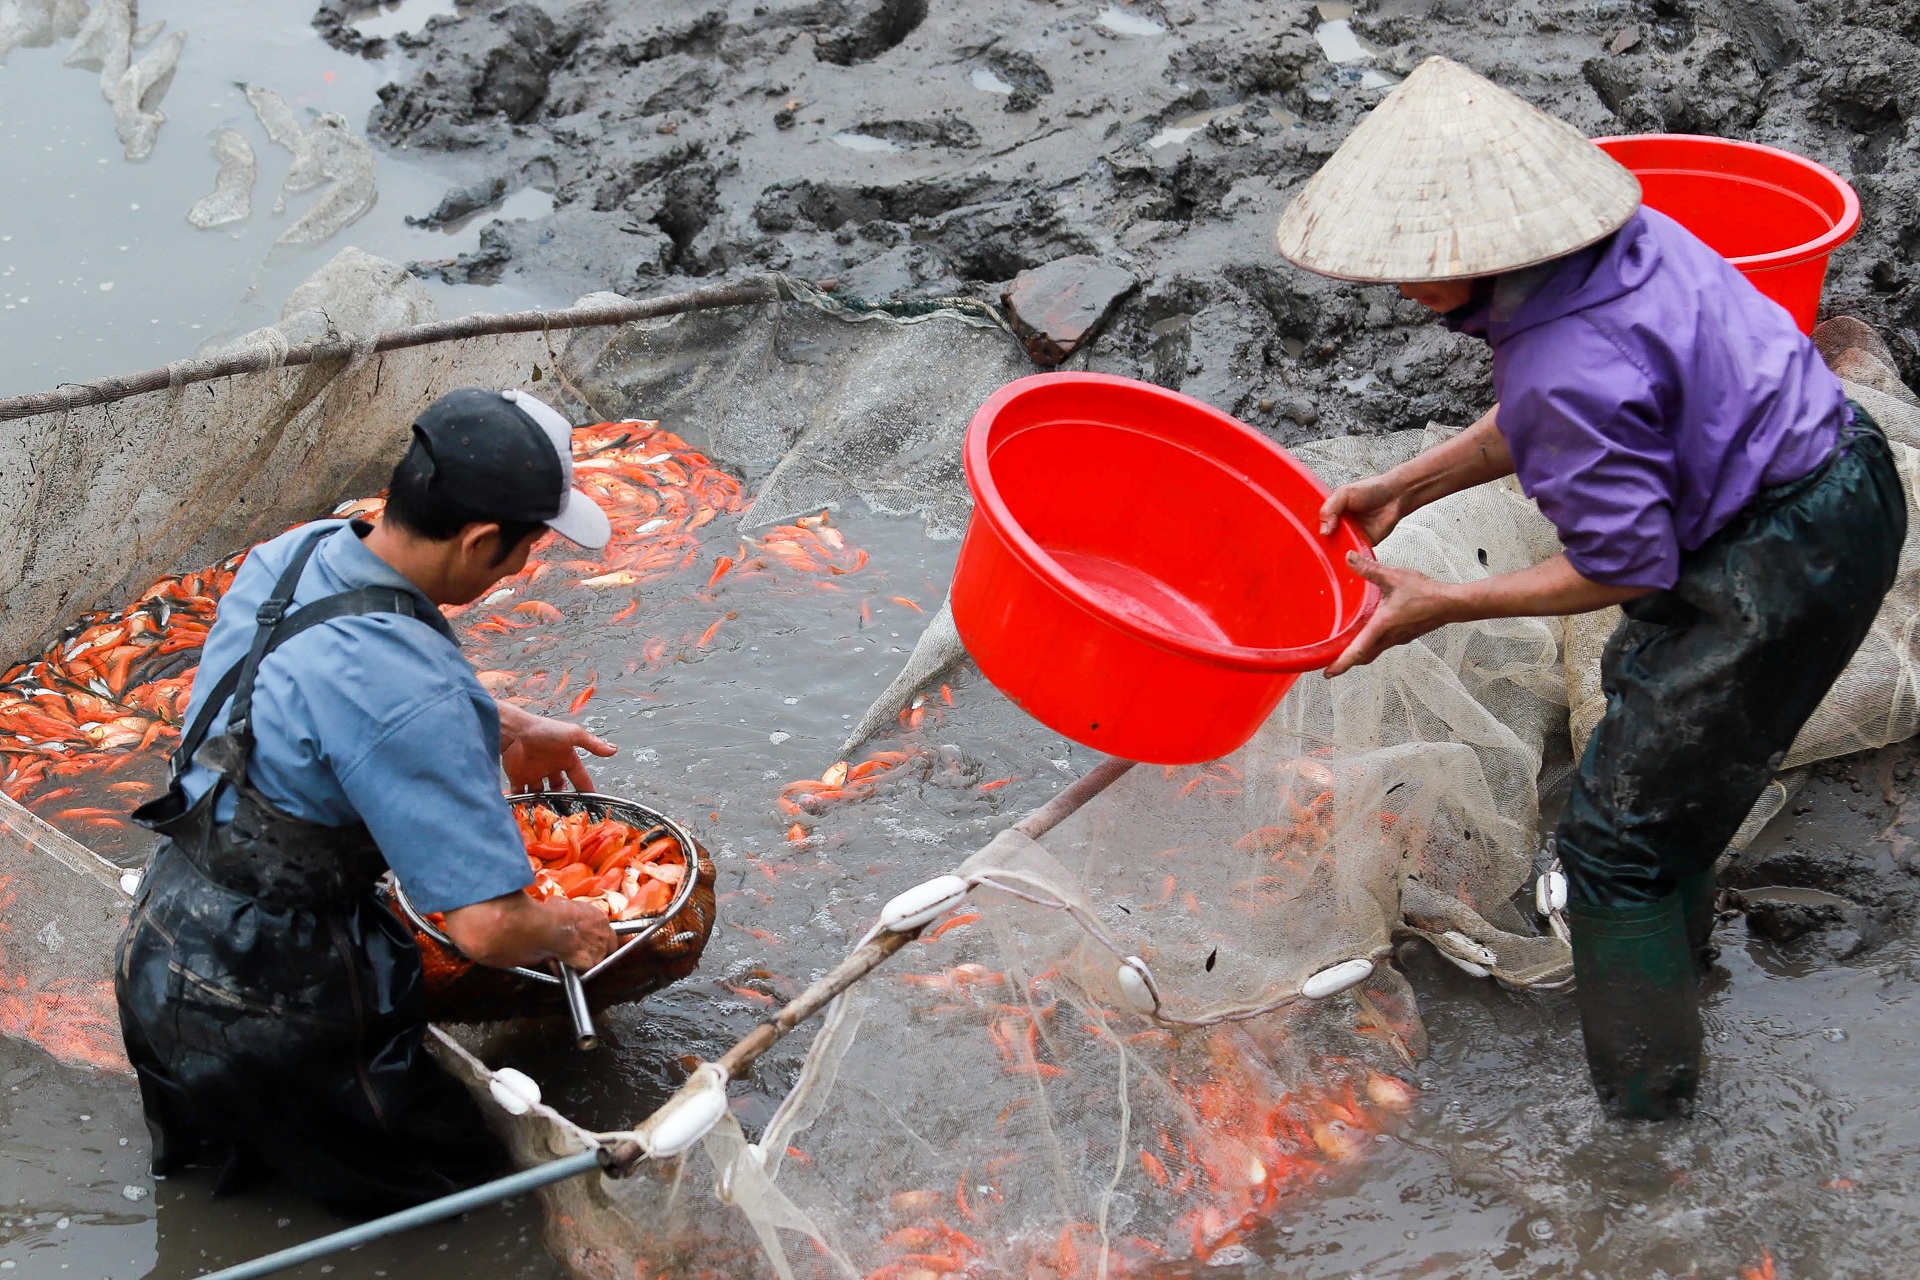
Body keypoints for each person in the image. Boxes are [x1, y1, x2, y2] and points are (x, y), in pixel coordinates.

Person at [1273, 57, 1906, 1119]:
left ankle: (1648, 1133)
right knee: (1655, 730)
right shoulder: (1622, 243)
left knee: (1614, 847)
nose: (1401, 288)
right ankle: (1681, 967)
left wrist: (1441, 602)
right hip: (1839, 465)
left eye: (1417, 265)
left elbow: (1625, 564)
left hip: (1783, 556)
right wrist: (1408, 481)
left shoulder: (1561, 364)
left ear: (1491, 252)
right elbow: (1568, 412)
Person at [116, 387, 623, 1214]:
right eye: (529, 547)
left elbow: (305, 697)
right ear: (484, 540)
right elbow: (487, 929)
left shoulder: (297, 550)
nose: (524, 567)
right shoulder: (418, 694)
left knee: (222, 1189)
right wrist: (570, 927)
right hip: (281, 1002)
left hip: (163, 946)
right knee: (457, 1202)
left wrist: (500, 724)